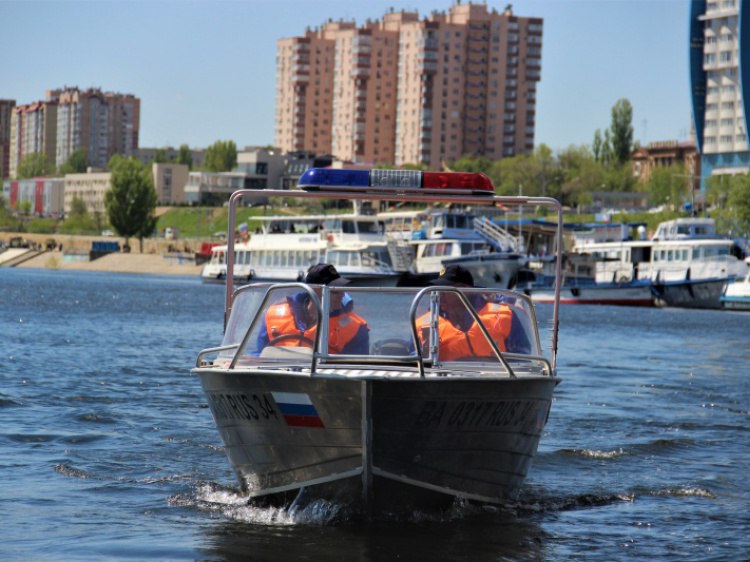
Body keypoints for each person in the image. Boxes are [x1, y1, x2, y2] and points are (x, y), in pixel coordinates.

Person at [256, 264, 369, 355]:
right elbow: (258, 355)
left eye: (342, 289)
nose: (342, 295)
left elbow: (356, 369)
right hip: (276, 379)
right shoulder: (273, 315)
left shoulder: (356, 328)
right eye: (335, 291)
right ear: (315, 291)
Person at [416, 265, 521, 361]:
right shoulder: (424, 324)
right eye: (437, 290)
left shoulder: (503, 316)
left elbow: (522, 357)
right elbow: (413, 358)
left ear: (465, 290)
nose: (440, 295)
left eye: (445, 290)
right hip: (440, 378)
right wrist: (424, 352)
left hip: (494, 377)